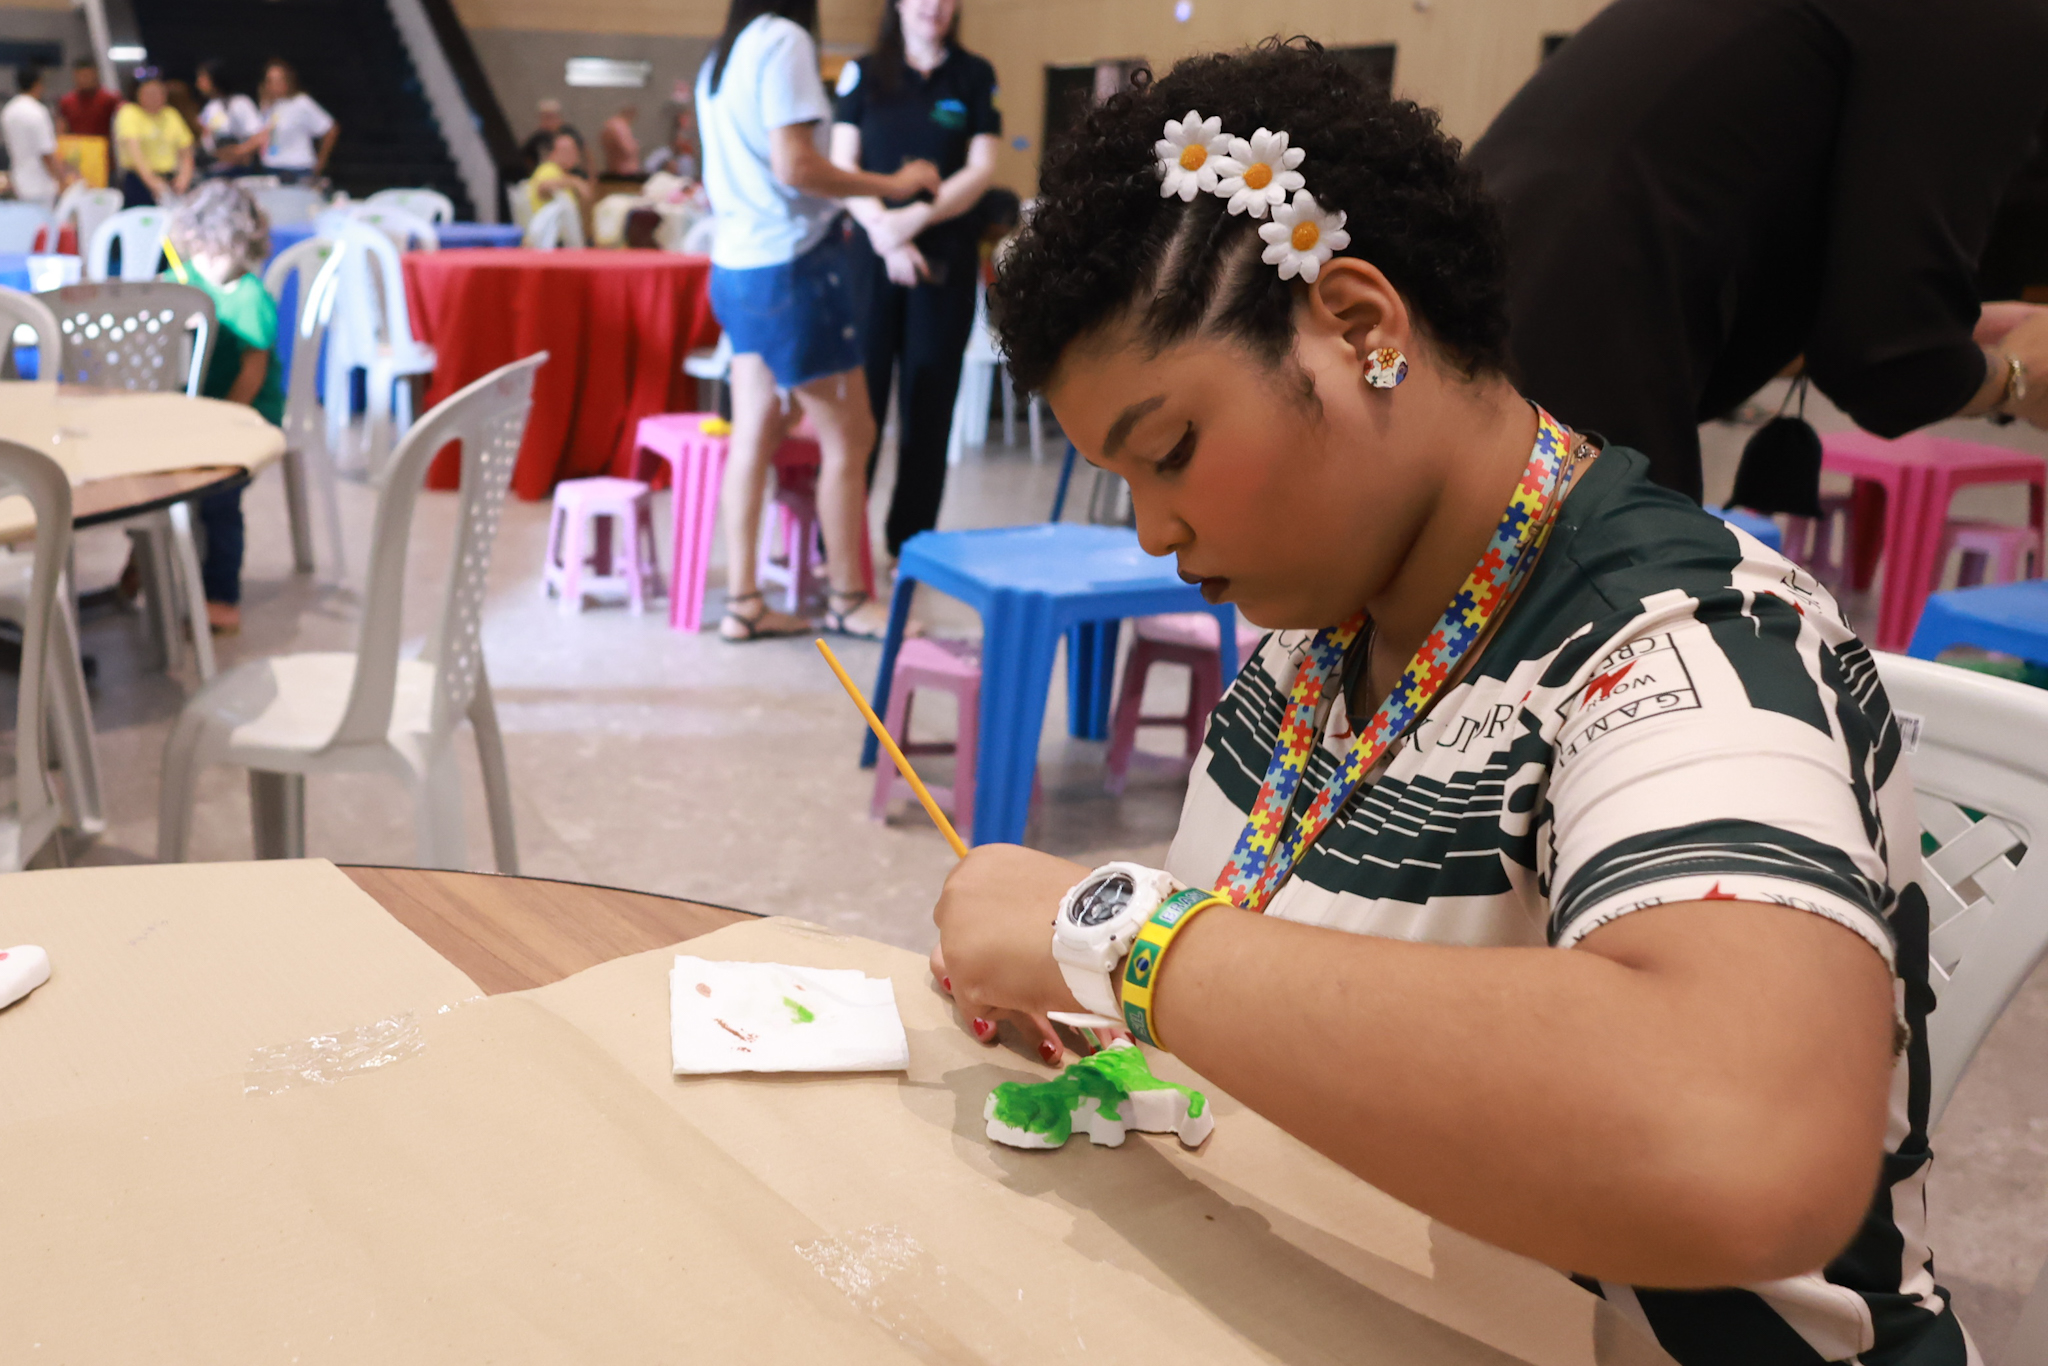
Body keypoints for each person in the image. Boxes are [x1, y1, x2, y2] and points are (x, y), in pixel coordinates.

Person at [937, 39, 1967, 1365]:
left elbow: (1739, 1136)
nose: (1152, 531)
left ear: (1361, 325)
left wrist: (1125, 938)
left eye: (1173, 450)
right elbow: (1298, 979)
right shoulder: (1316, 641)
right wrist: (1123, 998)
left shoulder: (1691, 642)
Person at [1467, 0, 2048, 503]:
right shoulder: (1994, 17)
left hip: (1445, 305)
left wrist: (1951, 340)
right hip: (1571, 351)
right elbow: (1890, 368)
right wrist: (2019, 378)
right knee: (1600, 626)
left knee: (1436, 625)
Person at [695, 0, 939, 641]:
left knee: (756, 431)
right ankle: (850, 598)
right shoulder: (784, 41)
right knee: (850, 437)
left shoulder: (726, 52)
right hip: (793, 269)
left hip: (738, 268)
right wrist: (890, 183)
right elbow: (796, 166)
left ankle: (743, 603)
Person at [831, 0, 999, 565]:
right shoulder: (862, 72)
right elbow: (841, 165)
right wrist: (885, 231)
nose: (935, 6)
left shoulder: (973, 76)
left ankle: (911, 545)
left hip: (943, 258)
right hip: (870, 258)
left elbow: (979, 171)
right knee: (864, 403)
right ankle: (844, 544)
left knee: (930, 402)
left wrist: (915, 220)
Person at [162, 181, 283, 634]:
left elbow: (252, 374)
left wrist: (223, 425)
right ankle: (142, 569)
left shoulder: (249, 297)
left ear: (243, 247)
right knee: (156, 481)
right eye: (203, 253)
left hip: (244, 416)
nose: (209, 266)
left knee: (219, 500)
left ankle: (221, 595)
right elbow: (157, 301)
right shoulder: (186, 280)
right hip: (194, 413)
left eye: (222, 254)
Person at [242, 60, 335, 184]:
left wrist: (320, 163)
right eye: (270, 80)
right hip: (272, 168)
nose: (274, 85)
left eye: (279, 80)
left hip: (297, 168)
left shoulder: (302, 103)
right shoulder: (268, 106)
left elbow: (330, 129)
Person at [112, 67, 193, 207]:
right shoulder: (129, 113)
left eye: (158, 93)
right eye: (149, 93)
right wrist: (152, 182)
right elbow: (135, 153)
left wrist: (184, 177)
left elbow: (186, 149)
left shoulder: (170, 114)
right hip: (140, 180)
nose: (154, 97)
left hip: (170, 177)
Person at [3, 66, 66, 208]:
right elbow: (46, 153)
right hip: (40, 185)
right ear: (38, 84)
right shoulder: (37, 111)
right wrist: (61, 180)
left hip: (18, 182)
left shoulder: (8, 111)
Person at [194, 60, 262, 172]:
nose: (198, 82)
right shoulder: (209, 107)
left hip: (239, 169)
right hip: (216, 168)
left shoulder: (240, 103)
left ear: (215, 78)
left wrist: (238, 151)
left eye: (202, 77)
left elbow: (258, 136)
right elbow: (205, 140)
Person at [526, 129, 592, 218]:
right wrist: (575, 182)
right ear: (560, 151)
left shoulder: (560, 174)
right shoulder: (548, 169)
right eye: (573, 151)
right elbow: (543, 188)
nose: (576, 157)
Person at [56, 57, 120, 139]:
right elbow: (61, 129)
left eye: (87, 75)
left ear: (95, 74)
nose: (85, 79)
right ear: (75, 76)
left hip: (103, 148)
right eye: (81, 76)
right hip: (76, 149)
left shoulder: (109, 99)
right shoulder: (66, 102)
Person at [519, 98, 580, 175]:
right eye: (545, 117)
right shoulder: (537, 137)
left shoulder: (569, 133)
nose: (549, 121)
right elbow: (523, 157)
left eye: (551, 117)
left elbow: (586, 154)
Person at [641, 105, 698, 180]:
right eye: (682, 135)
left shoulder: (687, 161)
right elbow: (647, 170)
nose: (686, 141)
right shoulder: (661, 154)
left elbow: (689, 180)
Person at [599, 104, 641, 177]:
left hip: (612, 168)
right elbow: (627, 149)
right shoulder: (620, 127)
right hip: (625, 171)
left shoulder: (609, 125)